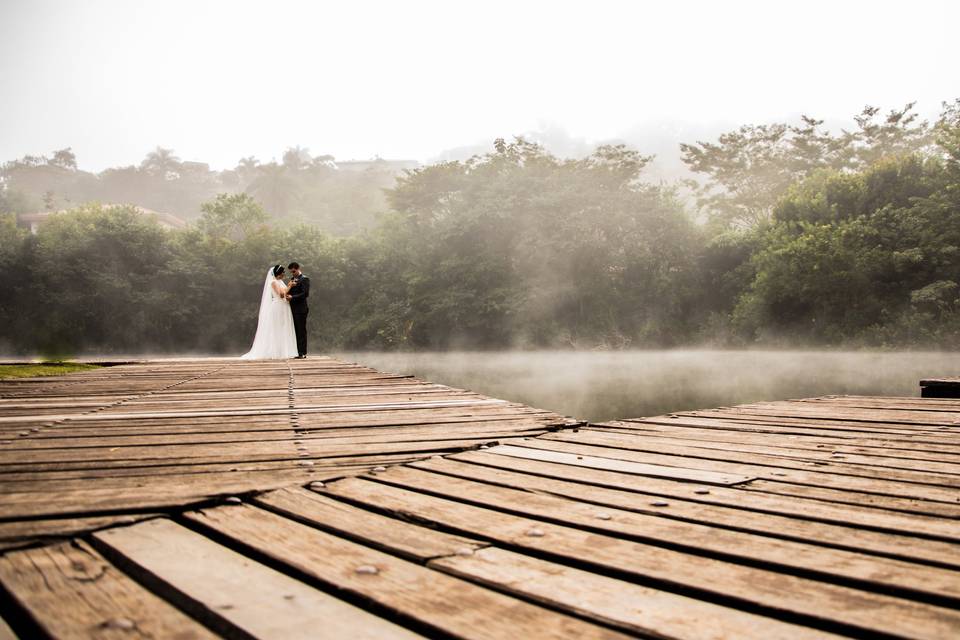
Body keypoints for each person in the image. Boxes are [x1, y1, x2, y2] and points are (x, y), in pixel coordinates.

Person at [240, 264, 298, 359]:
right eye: (283, 272)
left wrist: (288, 287)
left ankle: (284, 350)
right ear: (279, 273)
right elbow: (281, 294)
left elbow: (284, 291)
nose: (284, 274)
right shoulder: (273, 282)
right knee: (278, 327)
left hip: (283, 306)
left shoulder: (279, 281)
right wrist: (290, 285)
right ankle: (276, 351)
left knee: (283, 326)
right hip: (278, 306)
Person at [285, 261, 310, 358]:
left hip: (301, 309)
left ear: (298, 268)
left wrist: (293, 297)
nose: (293, 273)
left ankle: (302, 353)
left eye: (294, 271)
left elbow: (305, 294)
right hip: (292, 309)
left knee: (301, 331)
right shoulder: (292, 279)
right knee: (295, 330)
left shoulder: (305, 279)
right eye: (291, 272)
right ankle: (296, 352)